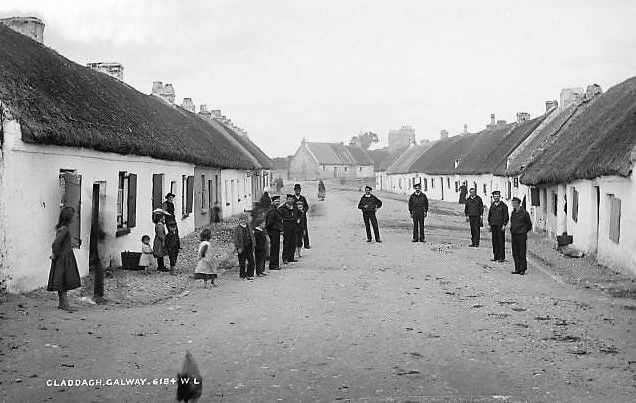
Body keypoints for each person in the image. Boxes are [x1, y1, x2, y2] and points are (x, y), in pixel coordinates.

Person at [47, 206, 81, 311]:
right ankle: (65, 304)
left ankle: (62, 303)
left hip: (62, 257)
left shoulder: (62, 229)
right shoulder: (65, 229)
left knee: (61, 280)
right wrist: (55, 254)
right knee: (64, 281)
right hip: (64, 258)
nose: (75, 217)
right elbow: (56, 243)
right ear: (68, 218)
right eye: (73, 216)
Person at [510, 197, 532, 275]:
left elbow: (529, 224)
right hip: (514, 234)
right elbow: (512, 222)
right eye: (513, 203)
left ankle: (523, 268)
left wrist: (524, 231)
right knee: (515, 252)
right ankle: (517, 268)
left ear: (518, 204)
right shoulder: (513, 213)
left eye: (515, 203)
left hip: (521, 235)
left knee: (522, 252)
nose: (513, 204)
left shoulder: (524, 213)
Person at [487, 190, 509, 263]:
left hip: (500, 226)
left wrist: (504, 224)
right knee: (494, 241)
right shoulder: (492, 205)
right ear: (493, 197)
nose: (496, 198)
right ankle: (495, 256)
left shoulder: (503, 206)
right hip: (493, 225)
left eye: (497, 196)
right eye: (495, 196)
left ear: (500, 197)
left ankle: (501, 257)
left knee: (501, 241)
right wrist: (489, 224)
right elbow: (490, 215)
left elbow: (506, 216)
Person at [279, 194, 300, 264]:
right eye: (289, 199)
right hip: (286, 226)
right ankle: (285, 258)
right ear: (286, 200)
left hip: (294, 226)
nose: (290, 201)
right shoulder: (282, 208)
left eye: (292, 199)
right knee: (287, 242)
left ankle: (291, 257)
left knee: (293, 242)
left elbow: (299, 214)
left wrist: (298, 219)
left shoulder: (295, 207)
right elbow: (280, 217)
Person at [234, 215, 255, 280]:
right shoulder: (237, 228)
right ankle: (242, 275)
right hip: (242, 247)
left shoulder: (249, 226)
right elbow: (235, 239)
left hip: (249, 246)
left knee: (251, 261)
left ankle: (249, 274)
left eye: (245, 219)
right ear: (240, 220)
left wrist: (254, 243)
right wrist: (238, 247)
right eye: (242, 219)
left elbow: (252, 236)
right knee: (242, 262)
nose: (244, 221)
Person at [266, 195, 284, 270]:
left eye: (278, 201)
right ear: (272, 202)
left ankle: (275, 264)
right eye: (276, 201)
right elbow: (269, 222)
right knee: (274, 248)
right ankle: (273, 265)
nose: (278, 202)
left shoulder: (275, 209)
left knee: (276, 248)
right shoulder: (272, 210)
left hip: (275, 230)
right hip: (273, 231)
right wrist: (271, 230)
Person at [293, 183, 310, 248]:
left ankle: (306, 244)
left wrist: (304, 211)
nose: (298, 191)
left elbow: (306, 206)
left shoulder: (303, 198)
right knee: (296, 231)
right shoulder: (292, 198)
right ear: (294, 190)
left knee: (304, 230)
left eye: (299, 190)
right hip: (296, 217)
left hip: (303, 217)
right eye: (296, 190)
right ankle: (297, 244)